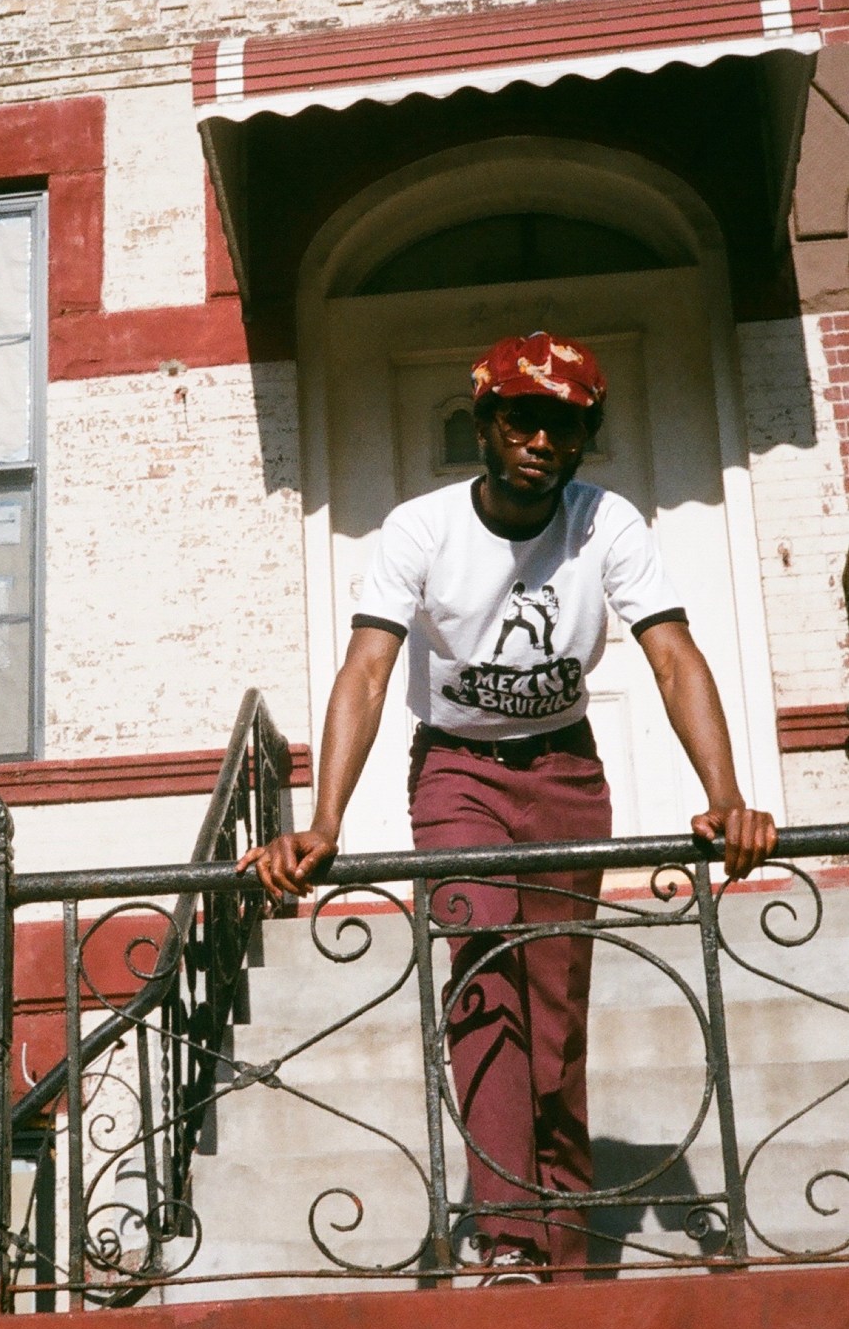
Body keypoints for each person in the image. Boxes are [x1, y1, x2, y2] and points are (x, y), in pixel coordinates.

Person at [240, 331, 777, 1280]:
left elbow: (673, 652)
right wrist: (322, 821)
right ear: (484, 422)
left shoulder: (606, 523)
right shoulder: (421, 527)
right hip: (457, 771)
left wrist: (727, 797)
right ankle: (508, 1236)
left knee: (555, 1010)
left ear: (583, 440)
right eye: (522, 418)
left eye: (565, 425)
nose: (542, 440)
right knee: (486, 979)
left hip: (566, 773)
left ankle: (565, 1243)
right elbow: (367, 671)